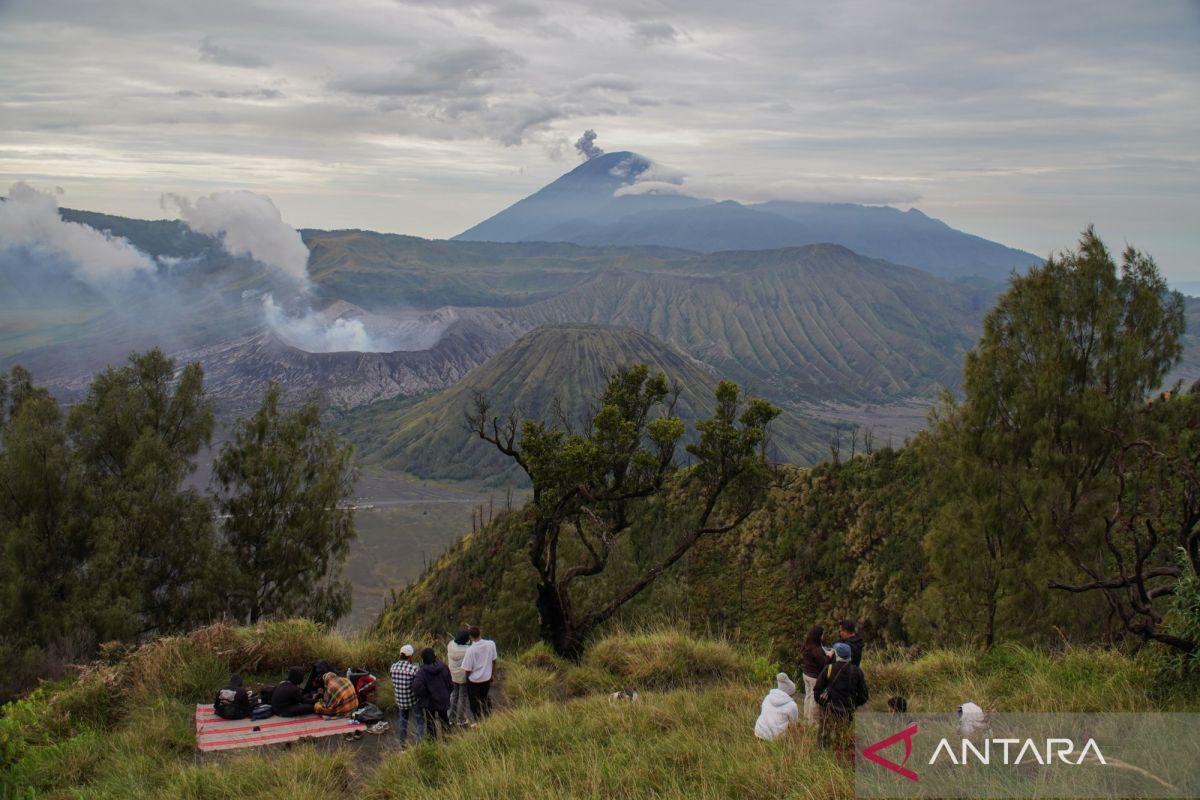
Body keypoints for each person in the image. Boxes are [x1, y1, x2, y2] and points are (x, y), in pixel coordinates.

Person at [814, 642, 869, 753]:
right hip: (847, 711)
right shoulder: (856, 671)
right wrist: (854, 704)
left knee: (825, 735)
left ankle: (822, 754)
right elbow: (864, 695)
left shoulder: (829, 669)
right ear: (849, 656)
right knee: (843, 736)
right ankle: (842, 755)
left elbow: (817, 691)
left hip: (829, 709)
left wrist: (823, 703)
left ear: (836, 655)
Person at [413, 647, 454, 740]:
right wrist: (447, 692)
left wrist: (425, 694)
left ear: (423, 659)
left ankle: (432, 741)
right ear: (434, 656)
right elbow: (450, 682)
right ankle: (448, 740)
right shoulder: (443, 666)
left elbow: (416, 687)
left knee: (430, 721)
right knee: (444, 718)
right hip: (443, 698)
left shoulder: (422, 672)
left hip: (429, 701)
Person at [461, 625, 498, 719]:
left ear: (470, 637)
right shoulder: (491, 644)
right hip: (487, 677)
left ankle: (478, 720)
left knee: (474, 703)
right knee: (485, 698)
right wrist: (492, 675)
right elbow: (494, 661)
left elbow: (467, 669)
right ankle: (488, 717)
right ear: (480, 633)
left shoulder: (470, 650)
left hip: (474, 680)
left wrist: (467, 678)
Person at [390, 644, 424, 745]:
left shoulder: (393, 667)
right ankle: (419, 744)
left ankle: (402, 742)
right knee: (419, 720)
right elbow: (419, 684)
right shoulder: (413, 669)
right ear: (410, 656)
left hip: (400, 699)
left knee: (403, 720)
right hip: (412, 699)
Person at [754, 672, 800, 741]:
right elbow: (794, 724)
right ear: (791, 692)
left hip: (759, 733)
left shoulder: (768, 697)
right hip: (775, 739)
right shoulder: (792, 705)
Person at [800, 625, 828, 722]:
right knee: (814, 698)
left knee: (808, 695)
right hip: (814, 677)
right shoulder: (817, 650)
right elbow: (823, 664)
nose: (823, 636)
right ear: (818, 636)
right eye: (822, 634)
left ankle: (806, 716)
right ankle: (812, 720)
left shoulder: (806, 645)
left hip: (806, 674)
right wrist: (828, 656)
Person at [446, 628, 473, 727]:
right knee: (462, 696)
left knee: (453, 695)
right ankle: (460, 719)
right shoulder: (467, 650)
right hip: (463, 676)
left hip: (452, 674)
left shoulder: (450, 645)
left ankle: (450, 717)